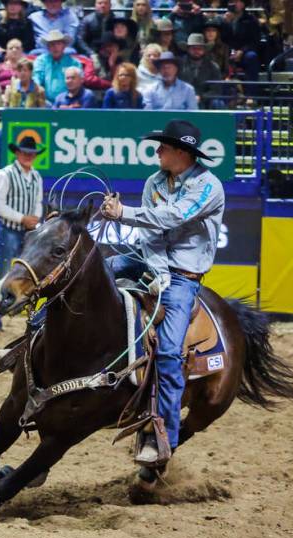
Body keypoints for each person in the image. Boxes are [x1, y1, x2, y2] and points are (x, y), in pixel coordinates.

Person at [97, 119, 225, 466]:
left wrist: (123, 214)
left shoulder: (207, 187)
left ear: (181, 152)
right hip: (152, 263)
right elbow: (151, 234)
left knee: (169, 353)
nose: (157, 151)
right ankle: (37, 330)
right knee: (97, 272)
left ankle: (162, 432)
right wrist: (156, 271)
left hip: (185, 278)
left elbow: (171, 217)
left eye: (163, 147)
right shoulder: (155, 181)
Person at [0, 135, 43, 333]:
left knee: (33, 276)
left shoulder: (36, 176)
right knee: (1, 274)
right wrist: (22, 218)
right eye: (25, 153)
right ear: (17, 153)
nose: (28, 156)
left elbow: (38, 202)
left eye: (31, 154)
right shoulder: (5, 174)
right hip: (9, 230)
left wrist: (35, 219)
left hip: (28, 233)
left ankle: (32, 320)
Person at [32, 29, 81, 101]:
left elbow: (78, 84)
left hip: (68, 101)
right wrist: (37, 88)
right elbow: (36, 78)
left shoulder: (74, 63)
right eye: (52, 44)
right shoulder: (40, 61)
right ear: (48, 47)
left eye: (58, 44)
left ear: (64, 46)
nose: (55, 47)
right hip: (44, 101)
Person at [180, 32, 224, 108]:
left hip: (206, 101)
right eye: (193, 48)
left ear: (204, 50)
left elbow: (216, 89)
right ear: (188, 49)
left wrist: (201, 97)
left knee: (218, 103)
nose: (196, 51)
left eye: (199, 48)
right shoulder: (179, 65)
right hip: (183, 99)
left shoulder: (213, 67)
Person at [221, 0, 260, 81]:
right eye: (231, 2)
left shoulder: (250, 20)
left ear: (242, 4)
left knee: (252, 56)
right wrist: (226, 24)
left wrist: (242, 51)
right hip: (226, 52)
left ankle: (252, 91)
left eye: (236, 1)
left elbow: (255, 41)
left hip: (244, 52)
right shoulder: (223, 19)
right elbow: (222, 39)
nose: (233, 4)